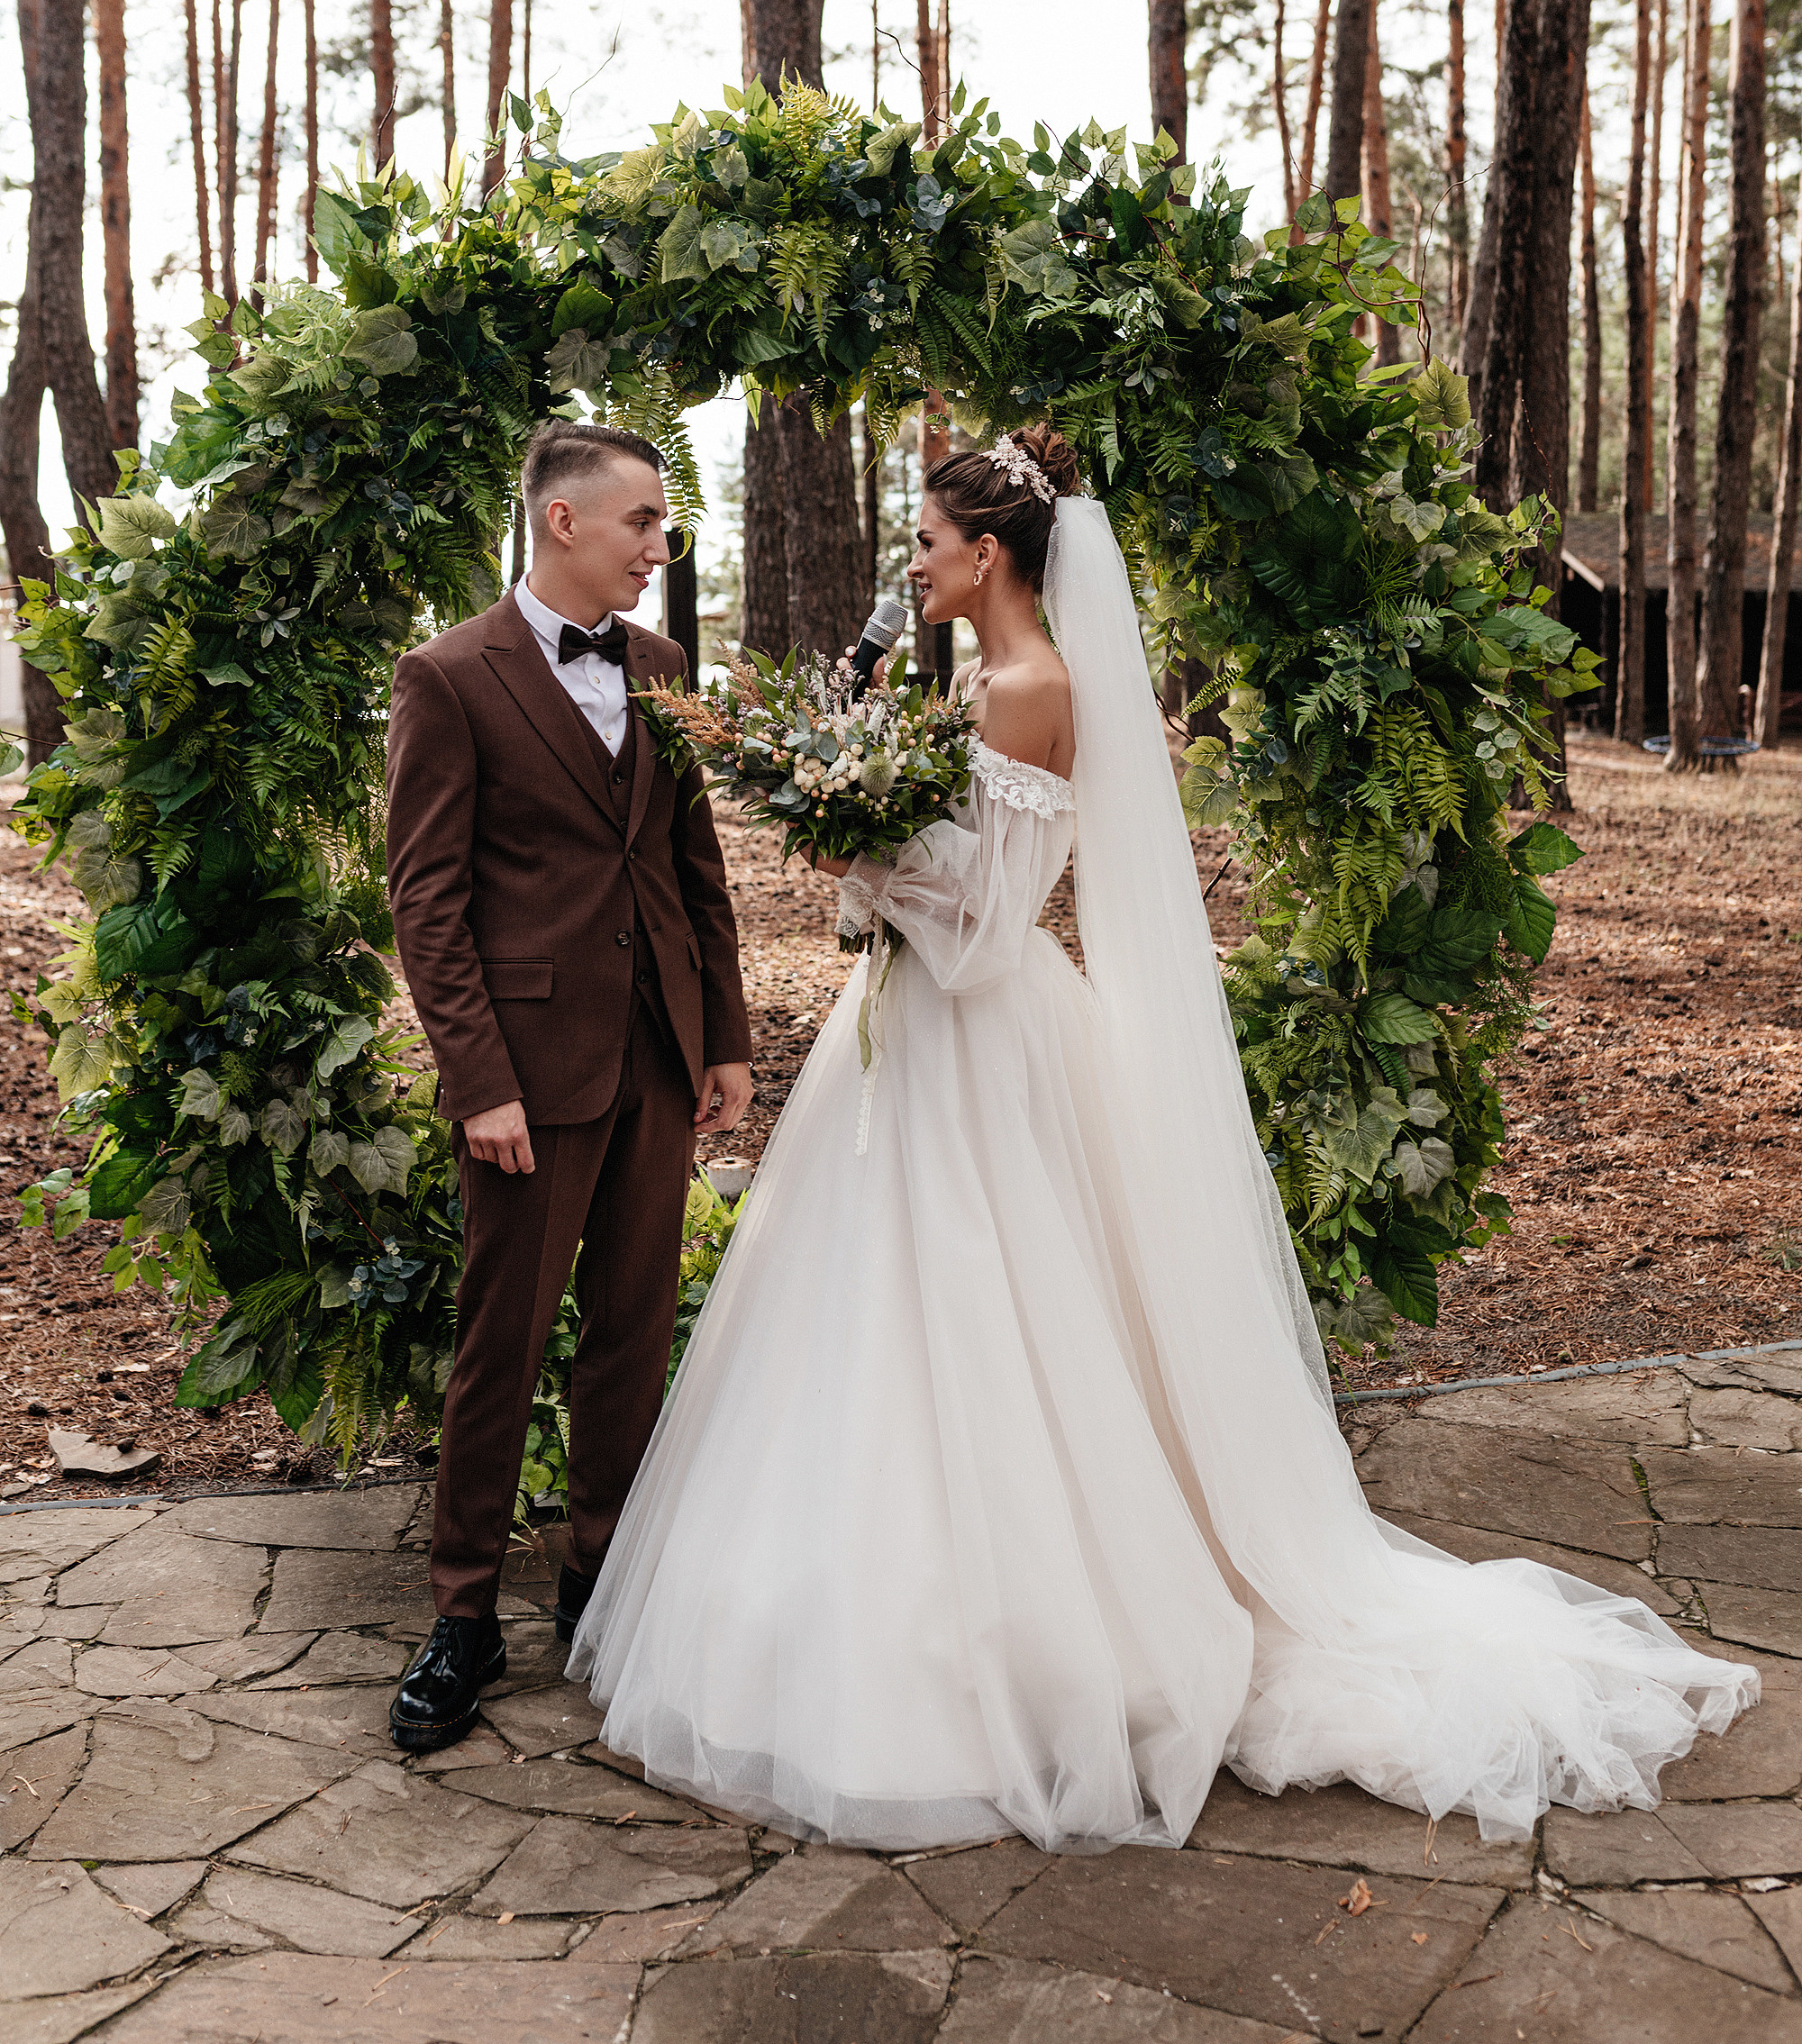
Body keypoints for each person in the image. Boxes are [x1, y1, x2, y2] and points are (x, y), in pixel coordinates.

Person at [567, 422, 1756, 1851]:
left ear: (988, 553)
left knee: (988, 1321)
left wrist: (849, 845)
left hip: (979, 1045)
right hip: (919, 1045)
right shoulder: (994, 681)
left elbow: (990, 928)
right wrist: (863, 841)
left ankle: (1011, 1636)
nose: (916, 566)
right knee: (872, 1323)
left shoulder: (1030, 686)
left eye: (931, 544)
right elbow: (947, 890)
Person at [385, 420, 752, 1752]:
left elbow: (689, 862)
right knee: (505, 1340)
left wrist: (723, 1036)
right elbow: (427, 903)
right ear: (563, 524)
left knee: (632, 1332)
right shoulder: (448, 679)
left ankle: (601, 1578)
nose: (664, 544)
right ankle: (464, 1612)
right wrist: (477, 1077)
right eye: (646, 522)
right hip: (527, 1079)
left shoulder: (660, 667)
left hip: (658, 1050)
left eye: (665, 523)